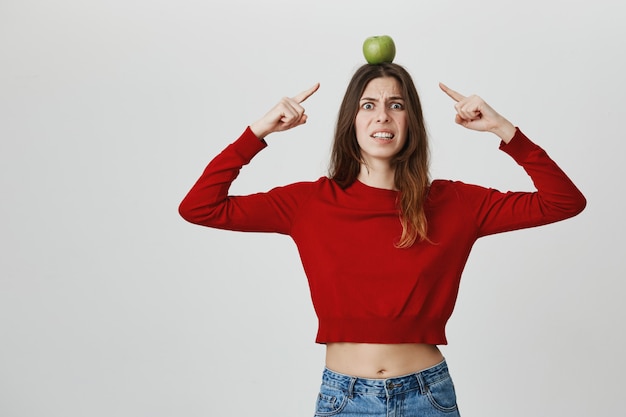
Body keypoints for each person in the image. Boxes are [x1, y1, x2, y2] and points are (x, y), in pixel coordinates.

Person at [178, 62, 586, 416]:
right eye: (368, 106)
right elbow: (200, 207)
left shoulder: (454, 203)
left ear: (411, 122)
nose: (382, 117)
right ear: (351, 122)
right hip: (344, 398)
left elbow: (563, 202)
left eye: (397, 105)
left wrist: (503, 129)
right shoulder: (310, 203)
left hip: (428, 397)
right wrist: (257, 132)